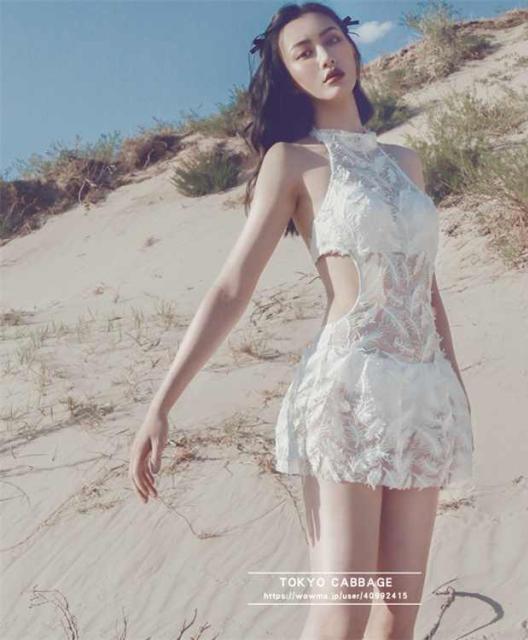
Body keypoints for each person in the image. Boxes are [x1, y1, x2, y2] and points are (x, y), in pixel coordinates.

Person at [129, 3, 475, 638]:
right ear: (289, 76)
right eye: (304, 52)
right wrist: (161, 403)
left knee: (397, 615)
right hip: (350, 389)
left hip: (423, 393)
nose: (325, 57)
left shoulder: (407, 163)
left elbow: (427, 287)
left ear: (354, 49)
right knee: (344, 611)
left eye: (333, 40)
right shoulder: (293, 161)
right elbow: (233, 286)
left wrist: (455, 384)